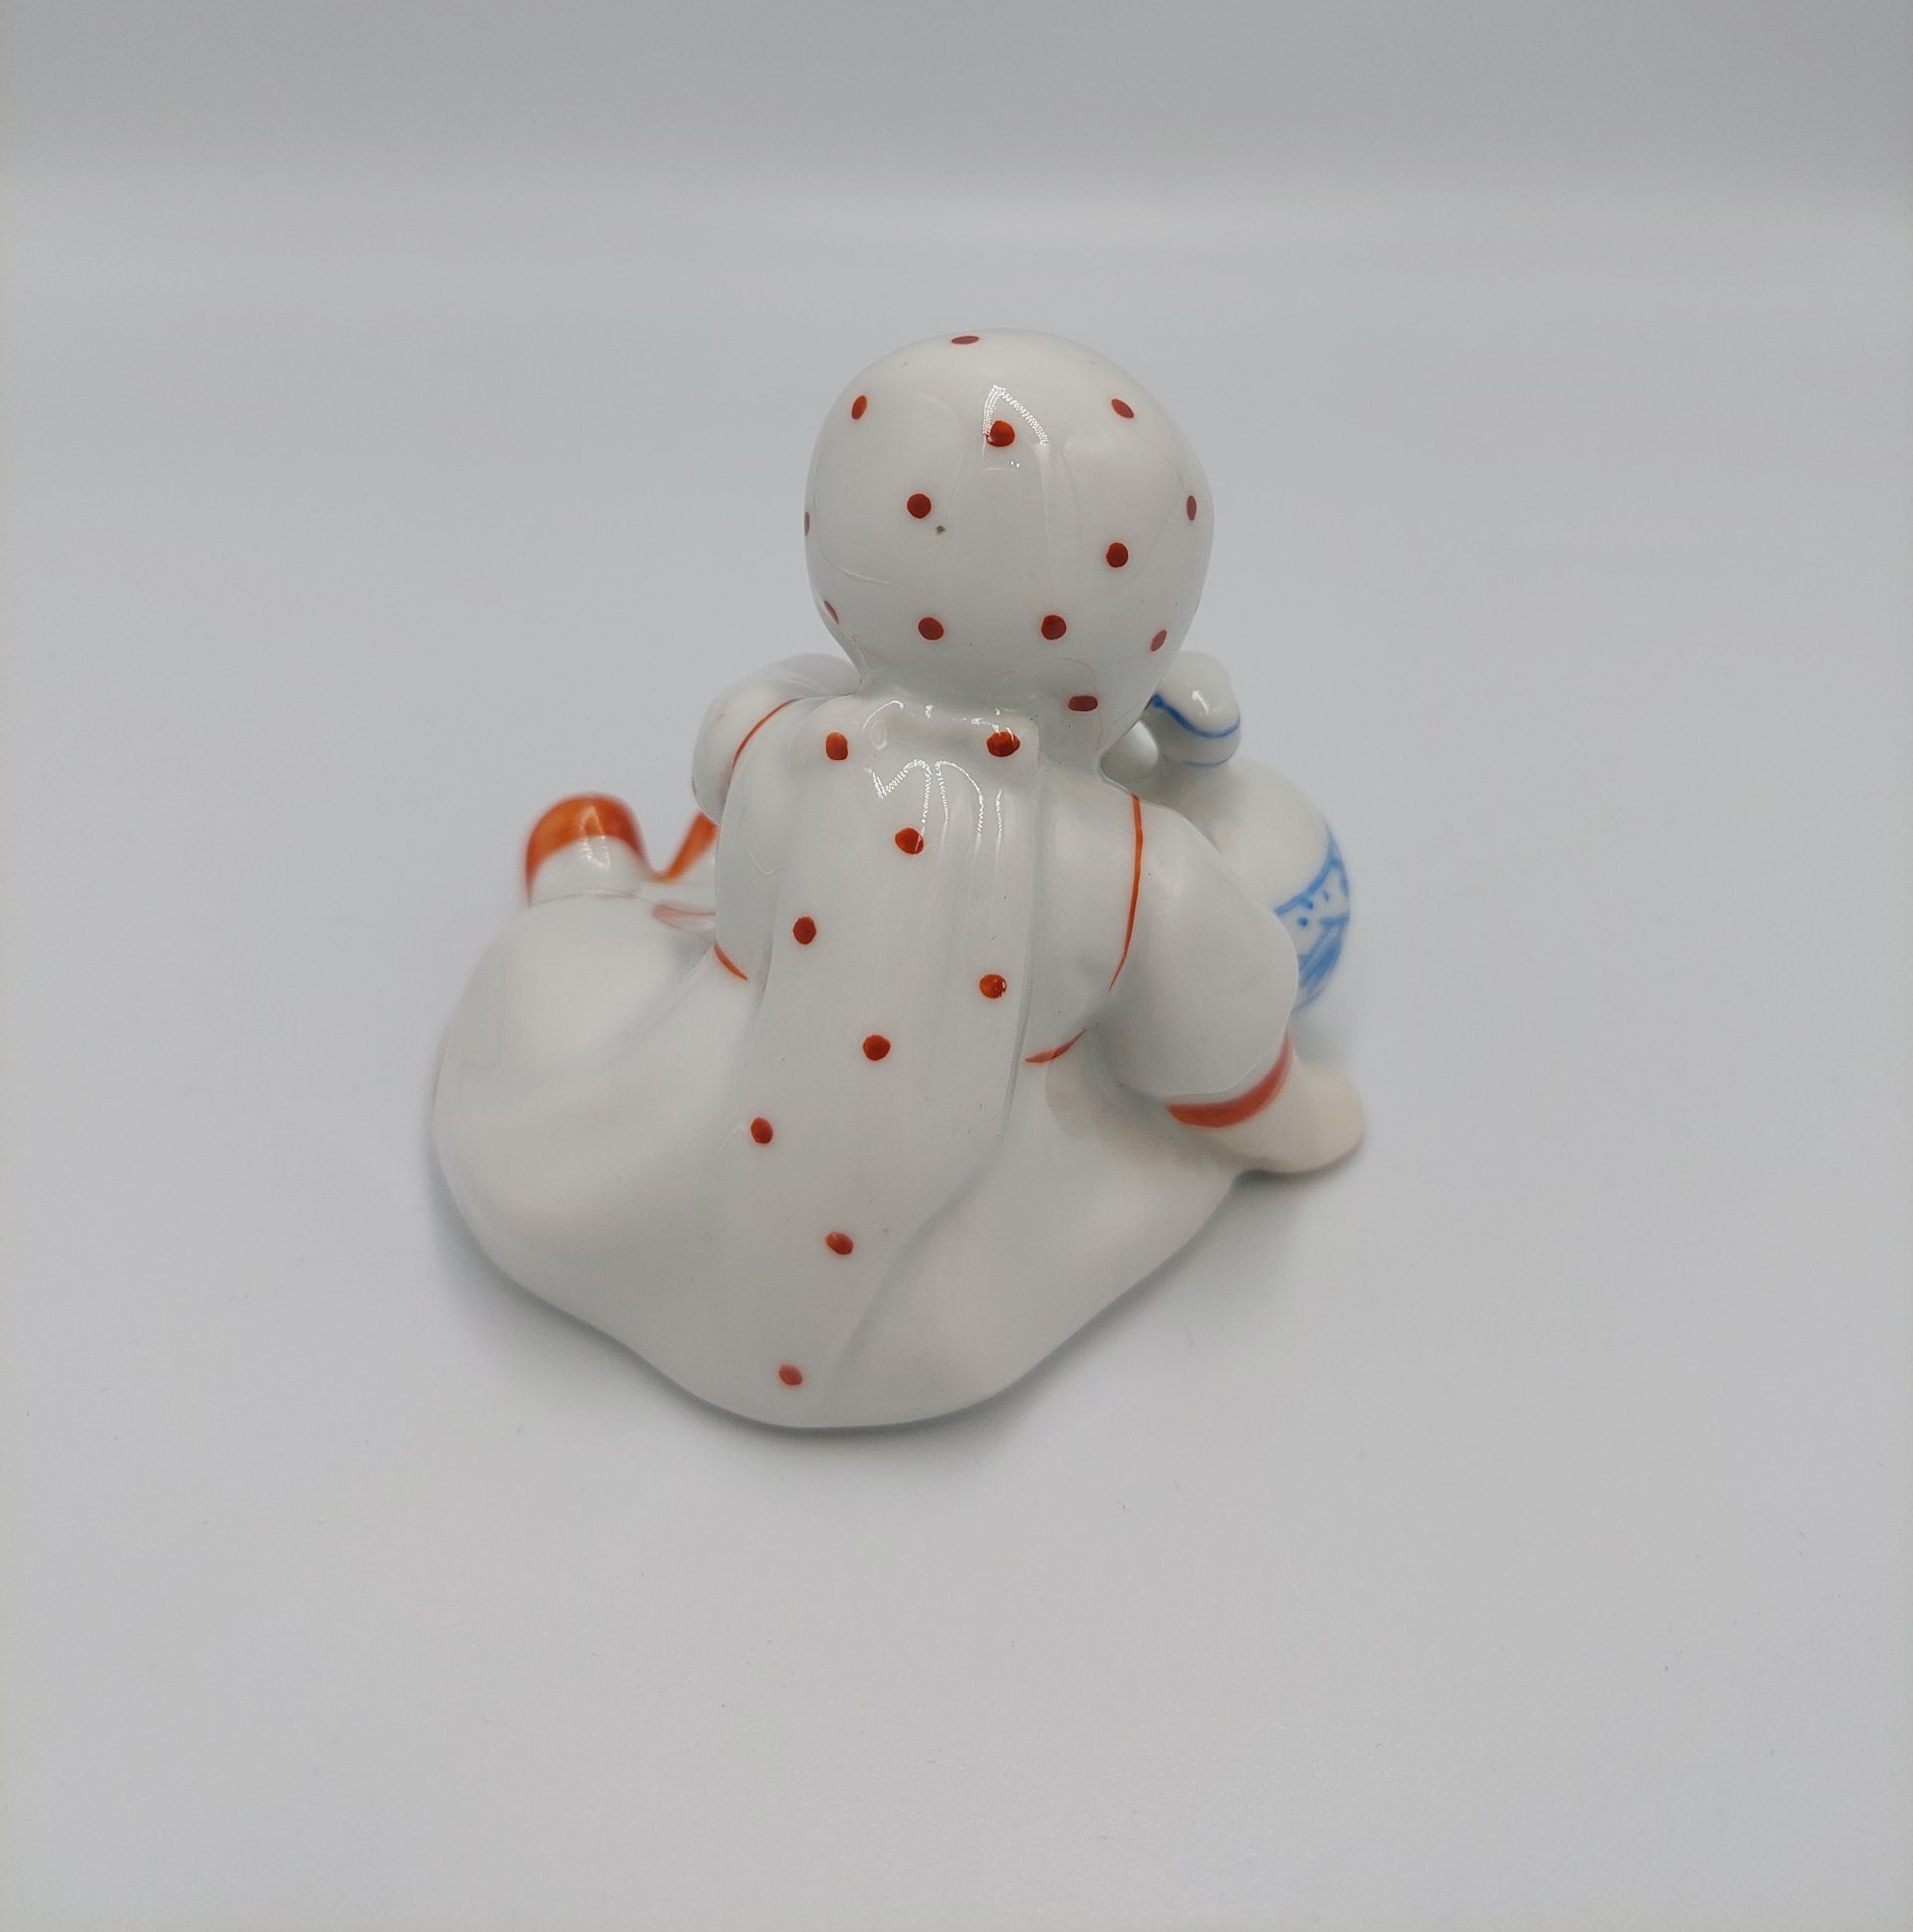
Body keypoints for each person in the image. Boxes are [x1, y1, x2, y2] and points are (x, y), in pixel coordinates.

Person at [433, 331, 1361, 1427]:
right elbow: (1220, 1055)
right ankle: (638, 894)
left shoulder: (777, 735)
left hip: (657, 1181)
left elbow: (728, 762)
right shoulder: (1137, 872)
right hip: (933, 1304)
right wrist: (1297, 1117)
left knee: (588, 965)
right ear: (1146, 638)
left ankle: (594, 889)